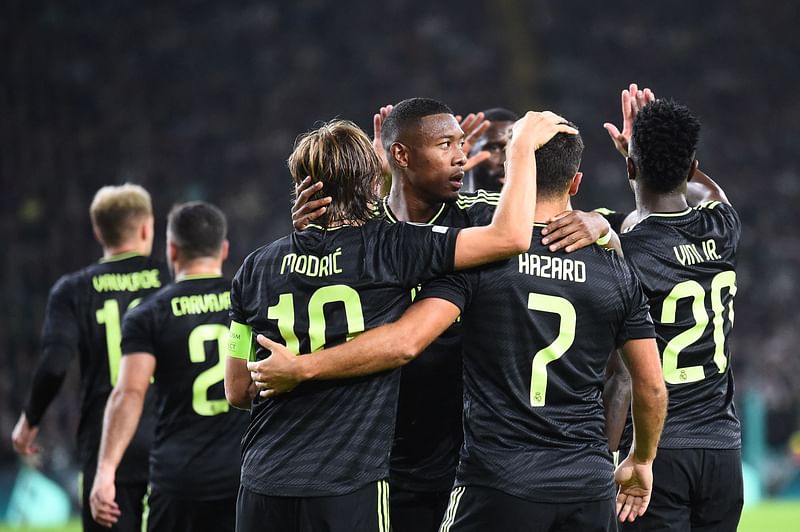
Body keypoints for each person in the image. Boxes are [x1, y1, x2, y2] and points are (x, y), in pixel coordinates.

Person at [250, 122, 668, 531]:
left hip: (494, 480)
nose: (460, 156)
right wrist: (641, 459)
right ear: (575, 183)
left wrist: (305, 362)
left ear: (511, 178)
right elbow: (650, 386)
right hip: (585, 484)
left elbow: (406, 339)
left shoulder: (477, 264)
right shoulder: (615, 272)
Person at [603, 86, 743, 531]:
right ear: (693, 165)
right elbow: (705, 188)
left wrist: (609, 461)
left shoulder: (624, 252)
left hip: (656, 448)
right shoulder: (724, 226)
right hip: (724, 451)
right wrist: (649, 151)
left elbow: (621, 376)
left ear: (630, 167)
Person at [11, 184, 166, 532]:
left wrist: (30, 421)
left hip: (105, 442)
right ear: (146, 227)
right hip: (170, 438)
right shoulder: (170, 279)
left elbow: (54, 363)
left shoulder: (72, 289)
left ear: (98, 232)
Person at [89, 201, 248, 531]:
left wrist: (105, 470)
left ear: (172, 250)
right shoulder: (248, 302)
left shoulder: (148, 315)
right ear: (224, 249)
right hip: (243, 477)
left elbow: (129, 393)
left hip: (178, 482)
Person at [466, 107, 519, 192]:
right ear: (468, 152)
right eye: (494, 148)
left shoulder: (537, 204)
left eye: (514, 148)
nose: (506, 161)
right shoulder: (445, 203)